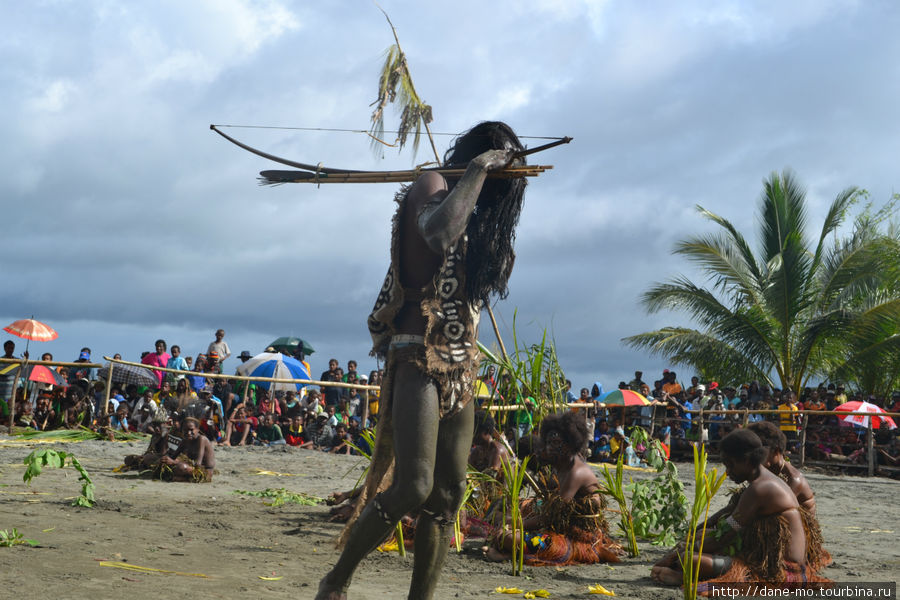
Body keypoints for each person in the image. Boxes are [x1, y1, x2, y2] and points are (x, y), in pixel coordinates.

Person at [317, 122, 530, 600]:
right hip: (416, 349)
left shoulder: (479, 219)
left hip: (460, 363)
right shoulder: (432, 184)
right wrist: (478, 170)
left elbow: (486, 279)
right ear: (478, 156)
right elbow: (437, 233)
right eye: (499, 163)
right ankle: (336, 581)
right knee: (413, 485)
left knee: (447, 497)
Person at [651, 429, 830, 590]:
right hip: (764, 561)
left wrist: (680, 551)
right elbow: (726, 522)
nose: (728, 472)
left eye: (730, 465)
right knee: (694, 548)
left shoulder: (760, 488)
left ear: (746, 460)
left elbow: (725, 535)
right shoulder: (762, 482)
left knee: (690, 559)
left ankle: (681, 577)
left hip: (783, 571)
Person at [486, 412, 622, 566]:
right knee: (504, 529)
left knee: (509, 538)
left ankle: (509, 556)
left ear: (571, 444)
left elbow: (550, 517)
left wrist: (517, 524)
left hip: (576, 539)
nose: (550, 448)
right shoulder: (559, 466)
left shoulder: (576, 472)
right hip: (557, 529)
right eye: (549, 442)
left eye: (556, 443)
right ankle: (510, 551)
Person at [159, 417, 216, 482]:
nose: (189, 433)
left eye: (191, 430)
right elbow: (173, 457)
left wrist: (174, 462)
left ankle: (183, 479)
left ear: (197, 429)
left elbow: (198, 464)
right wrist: (165, 460)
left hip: (204, 472)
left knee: (181, 467)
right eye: (185, 430)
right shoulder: (185, 440)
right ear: (182, 430)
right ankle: (181, 478)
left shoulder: (201, 439)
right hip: (191, 468)